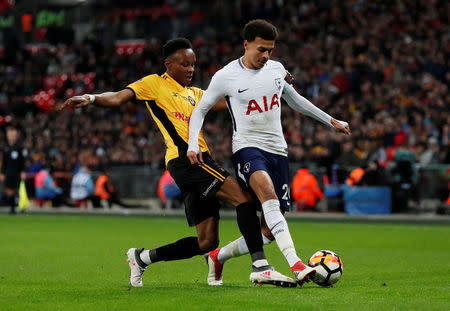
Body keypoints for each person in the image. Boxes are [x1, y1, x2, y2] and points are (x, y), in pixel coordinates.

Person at [58, 38, 296, 288]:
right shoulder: (154, 84)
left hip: (195, 164)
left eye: (193, 65)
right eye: (184, 64)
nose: (190, 69)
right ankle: (261, 266)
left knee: (207, 242)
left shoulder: (195, 94)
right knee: (243, 199)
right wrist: (91, 97)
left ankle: (141, 258)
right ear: (168, 64)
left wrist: (273, 77)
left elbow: (234, 97)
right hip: (187, 160)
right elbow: (118, 97)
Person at [188, 19, 350, 286]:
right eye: (261, 49)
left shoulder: (276, 69)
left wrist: (330, 120)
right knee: (268, 196)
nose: (266, 56)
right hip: (247, 148)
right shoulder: (226, 75)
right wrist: (193, 143)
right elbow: (200, 109)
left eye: (270, 51)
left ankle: (218, 257)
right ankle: (297, 264)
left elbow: (296, 100)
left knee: (268, 230)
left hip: (278, 152)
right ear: (246, 44)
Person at [0, 125, 27, 214]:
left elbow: (23, 161)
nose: (11, 136)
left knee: (19, 189)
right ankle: (12, 209)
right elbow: (4, 162)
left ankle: (22, 207)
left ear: (15, 136)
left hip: (18, 172)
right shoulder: (6, 148)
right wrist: (2, 173)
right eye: (9, 135)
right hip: (8, 172)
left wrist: (23, 171)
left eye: (13, 135)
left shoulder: (19, 147)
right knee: (9, 190)